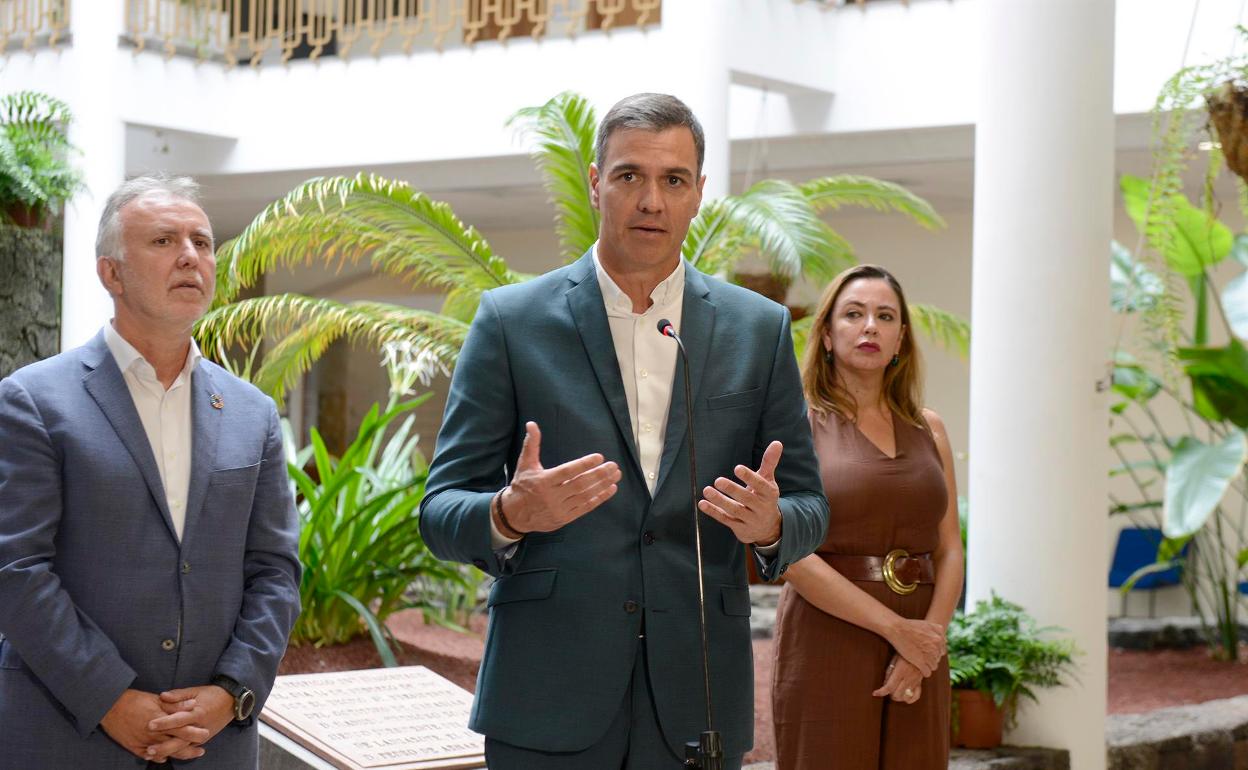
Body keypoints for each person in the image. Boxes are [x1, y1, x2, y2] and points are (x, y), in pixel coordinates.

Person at [418, 93, 829, 769]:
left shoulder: (756, 329)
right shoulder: (510, 321)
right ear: (594, 183)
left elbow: (810, 507)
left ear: (699, 193)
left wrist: (771, 526)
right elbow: (440, 512)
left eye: (673, 181)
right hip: (547, 695)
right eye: (630, 176)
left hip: (697, 701)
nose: (651, 201)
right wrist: (510, 513)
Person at [0, 173, 302, 768]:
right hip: (68, 736)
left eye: (203, 242)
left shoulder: (253, 412)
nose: (191, 256)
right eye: (164, 242)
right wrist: (110, 698)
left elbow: (275, 571)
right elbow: (16, 569)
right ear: (111, 273)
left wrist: (231, 693)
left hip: (213, 743)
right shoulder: (33, 400)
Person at [771, 264, 964, 768]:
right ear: (829, 335)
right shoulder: (795, 424)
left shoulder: (931, 428)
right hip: (828, 633)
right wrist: (897, 631)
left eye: (885, 316)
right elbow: (788, 552)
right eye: (853, 314)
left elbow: (949, 548)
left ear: (901, 338)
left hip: (922, 638)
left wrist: (926, 642)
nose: (870, 326)